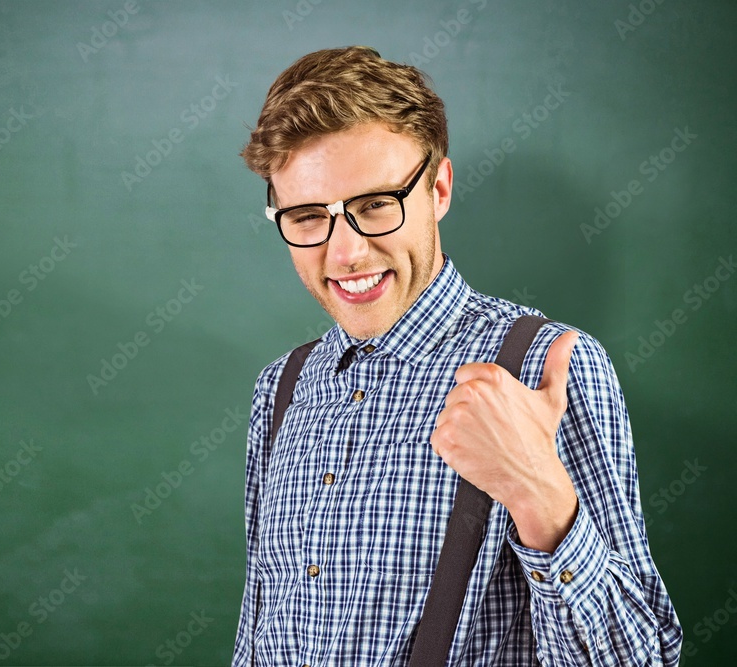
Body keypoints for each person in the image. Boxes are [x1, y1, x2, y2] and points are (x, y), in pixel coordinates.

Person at [231, 46, 682, 666]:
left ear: (438, 188)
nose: (346, 254)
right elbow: (258, 636)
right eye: (309, 217)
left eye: (374, 205)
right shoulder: (280, 390)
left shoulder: (546, 367)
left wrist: (540, 499)